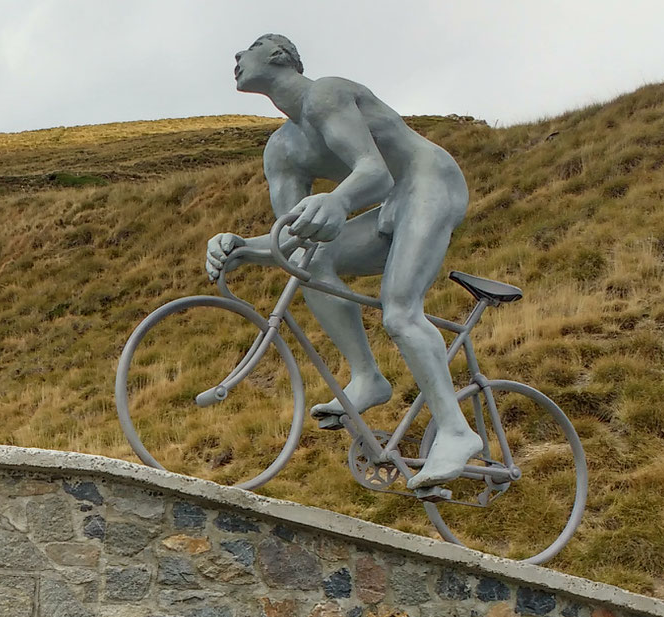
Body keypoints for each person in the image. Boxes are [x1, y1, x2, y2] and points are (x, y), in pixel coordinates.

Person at [204, 34, 481, 489]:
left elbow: (374, 173)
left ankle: (455, 431)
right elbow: (292, 240)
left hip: (429, 182)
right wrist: (241, 248)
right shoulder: (281, 150)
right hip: (393, 203)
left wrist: (336, 201)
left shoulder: (326, 94)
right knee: (309, 261)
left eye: (247, 48)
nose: (235, 56)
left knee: (400, 312)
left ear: (277, 56)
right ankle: (367, 377)